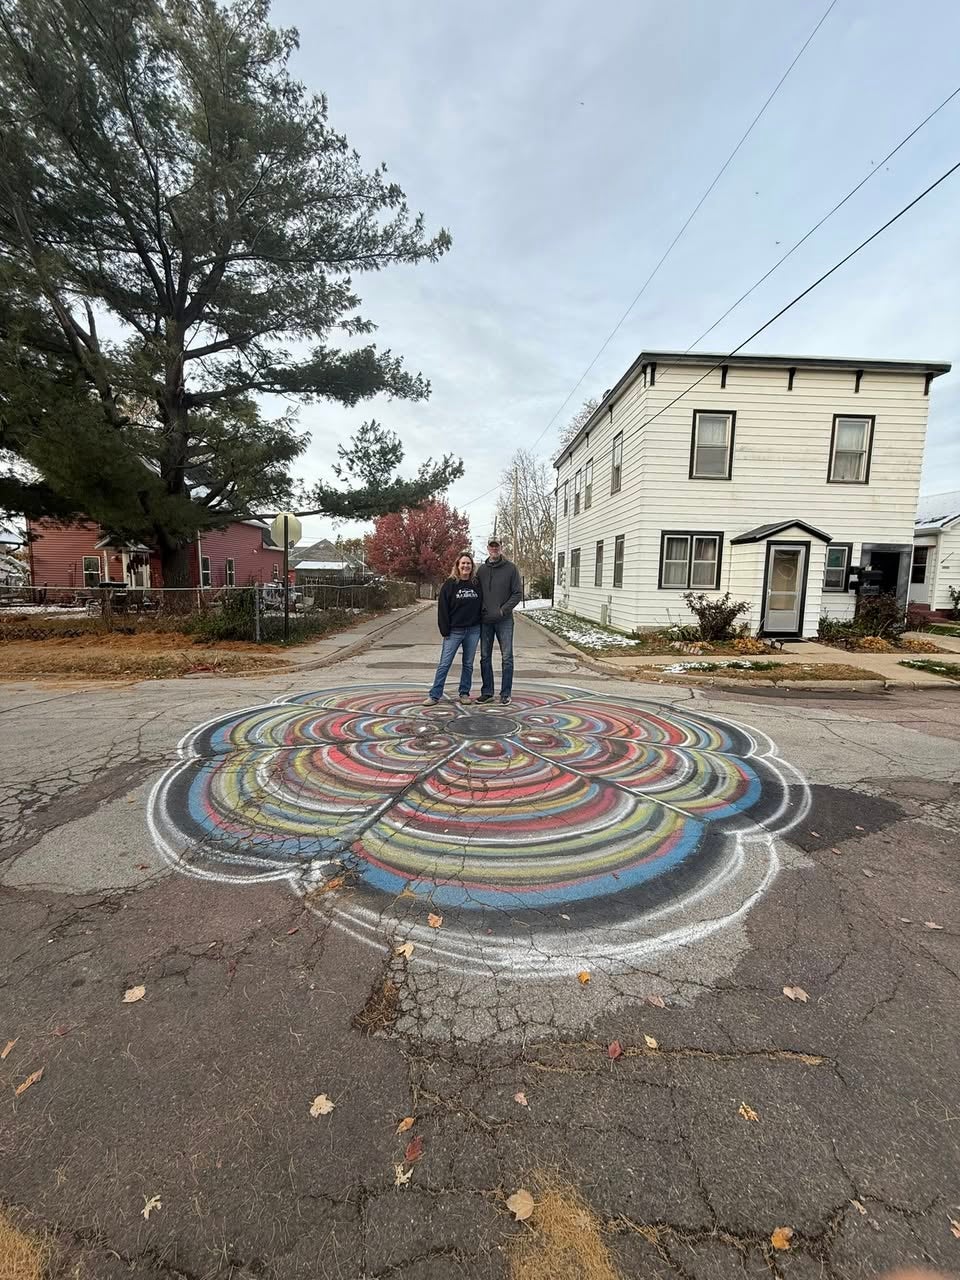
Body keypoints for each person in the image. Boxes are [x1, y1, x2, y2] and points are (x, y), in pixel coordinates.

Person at [424, 553, 482, 705]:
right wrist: (445, 630)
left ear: (472, 566)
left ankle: (464, 693)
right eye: (463, 563)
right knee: (445, 663)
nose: (465, 566)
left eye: (468, 563)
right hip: (454, 631)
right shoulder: (449, 585)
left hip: (473, 630)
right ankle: (434, 695)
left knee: (468, 664)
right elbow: (442, 609)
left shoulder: (476, 584)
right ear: (457, 566)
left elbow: (482, 606)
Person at [477, 537, 522, 705]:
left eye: (497, 546)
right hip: (485, 621)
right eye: (491, 546)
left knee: (507, 657)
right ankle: (487, 692)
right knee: (484, 656)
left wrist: (503, 610)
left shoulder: (511, 569)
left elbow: (517, 594)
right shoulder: (481, 570)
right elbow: (477, 592)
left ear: (501, 548)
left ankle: (505, 693)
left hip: (504, 621)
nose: (494, 549)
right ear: (488, 548)